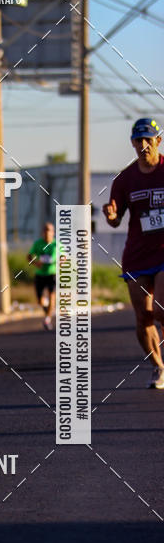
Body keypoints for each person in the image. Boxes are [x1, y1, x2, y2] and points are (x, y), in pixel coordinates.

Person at [103, 117, 164, 389]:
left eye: (148, 140)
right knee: (143, 316)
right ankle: (158, 367)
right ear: (132, 143)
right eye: (138, 140)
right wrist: (112, 215)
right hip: (138, 255)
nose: (143, 145)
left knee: (162, 309)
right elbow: (116, 220)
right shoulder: (125, 179)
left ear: (158, 142)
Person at [28, 222, 57, 330]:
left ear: (53, 232)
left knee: (52, 296)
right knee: (40, 300)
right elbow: (29, 256)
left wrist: (62, 261)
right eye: (45, 230)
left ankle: (47, 319)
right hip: (40, 274)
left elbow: (64, 256)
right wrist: (36, 263)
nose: (47, 232)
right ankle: (48, 310)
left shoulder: (56, 244)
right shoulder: (38, 244)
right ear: (42, 232)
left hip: (52, 274)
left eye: (49, 230)